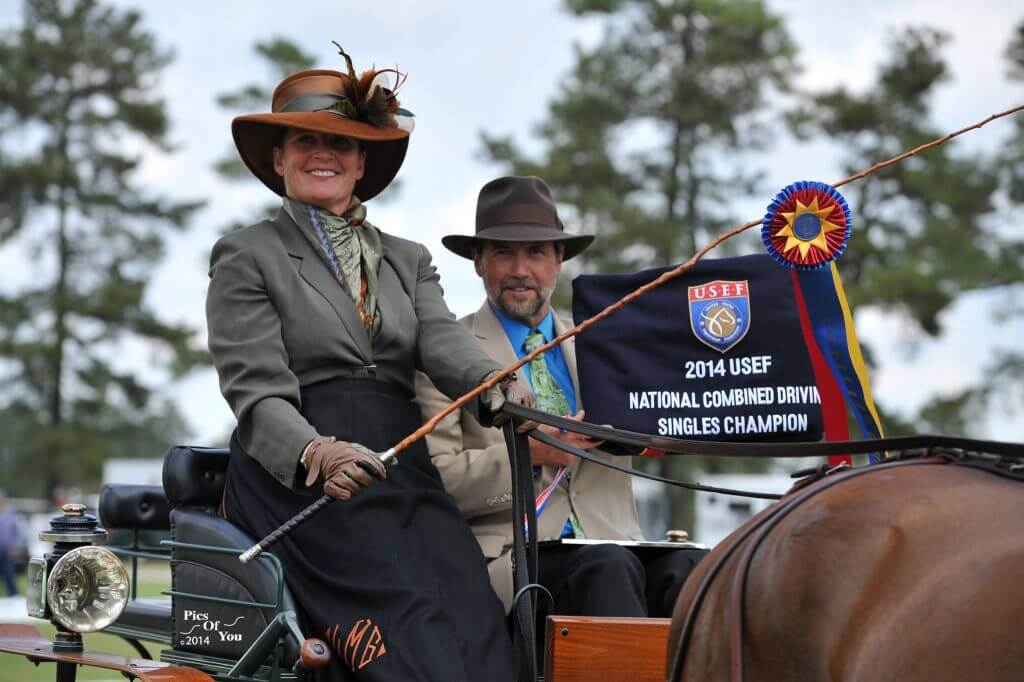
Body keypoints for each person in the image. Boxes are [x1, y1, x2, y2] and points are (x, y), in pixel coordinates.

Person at [206, 53, 529, 681]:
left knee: (476, 620)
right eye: (306, 140)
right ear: (279, 159)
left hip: (402, 463)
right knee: (409, 628)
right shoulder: (248, 255)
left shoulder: (408, 259)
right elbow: (256, 391)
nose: (321, 154)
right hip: (300, 474)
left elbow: (443, 344)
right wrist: (317, 454)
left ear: (360, 164)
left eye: (340, 143)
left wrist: (501, 388)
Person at [416, 175, 707, 623]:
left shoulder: (602, 344)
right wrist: (531, 453)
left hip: (617, 543)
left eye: (535, 252)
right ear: (477, 262)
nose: (520, 269)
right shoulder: (447, 354)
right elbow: (439, 482)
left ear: (558, 261)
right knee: (607, 568)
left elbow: (662, 416)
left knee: (693, 569)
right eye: (503, 253)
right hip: (513, 558)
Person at [0, 491, 22, 597]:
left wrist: (14, 546)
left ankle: (13, 594)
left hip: (7, 548)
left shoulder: (10, 513)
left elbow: (16, 531)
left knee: (9, 572)